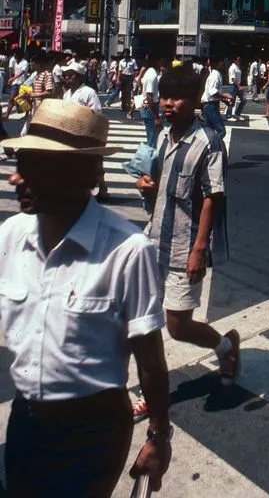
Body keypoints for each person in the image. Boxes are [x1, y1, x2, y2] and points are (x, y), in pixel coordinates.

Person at [0, 101, 172, 496]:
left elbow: (150, 359)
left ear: (80, 175)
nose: (15, 178)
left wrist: (159, 436)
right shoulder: (11, 235)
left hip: (92, 432)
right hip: (25, 422)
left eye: (32, 168)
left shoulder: (128, 250)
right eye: (19, 163)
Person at [134, 66, 240, 421]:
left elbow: (213, 197)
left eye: (176, 97)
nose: (167, 103)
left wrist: (199, 250)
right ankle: (150, 394)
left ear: (195, 101)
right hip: (153, 241)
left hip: (184, 246)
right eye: (165, 96)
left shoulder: (207, 142)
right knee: (145, 325)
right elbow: (161, 190)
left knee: (178, 328)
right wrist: (147, 190)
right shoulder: (163, 136)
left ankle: (226, 347)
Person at [201, 58, 230, 138]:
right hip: (211, 105)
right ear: (217, 64)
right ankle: (213, 146)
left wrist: (223, 100)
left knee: (209, 132)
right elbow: (212, 93)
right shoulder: (215, 75)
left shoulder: (216, 74)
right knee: (221, 131)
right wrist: (225, 96)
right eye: (222, 62)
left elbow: (214, 93)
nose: (224, 64)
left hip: (210, 104)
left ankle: (208, 148)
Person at [140, 56, 162, 149]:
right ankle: (150, 162)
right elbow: (149, 96)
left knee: (154, 139)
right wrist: (156, 116)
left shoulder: (149, 73)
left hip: (148, 108)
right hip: (150, 109)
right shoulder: (152, 75)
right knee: (152, 142)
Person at [5, 48, 29, 119]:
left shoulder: (25, 62)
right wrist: (10, 78)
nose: (14, 55)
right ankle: (7, 115)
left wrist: (13, 78)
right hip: (15, 83)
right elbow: (10, 68)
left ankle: (27, 113)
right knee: (13, 98)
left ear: (19, 55)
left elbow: (22, 72)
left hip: (22, 82)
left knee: (18, 99)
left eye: (15, 54)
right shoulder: (13, 59)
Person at [225, 55, 246, 122]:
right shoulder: (232, 68)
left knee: (244, 100)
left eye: (240, 59)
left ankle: (237, 114)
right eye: (238, 59)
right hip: (233, 86)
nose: (239, 60)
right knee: (231, 101)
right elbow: (233, 79)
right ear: (234, 60)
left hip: (237, 85)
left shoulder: (238, 67)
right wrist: (239, 86)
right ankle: (228, 116)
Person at [118, 47, 138, 114]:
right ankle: (123, 107)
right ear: (123, 54)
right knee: (123, 93)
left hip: (130, 77)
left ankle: (129, 107)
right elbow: (120, 71)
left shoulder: (133, 61)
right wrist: (118, 79)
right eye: (124, 54)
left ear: (129, 54)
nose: (126, 55)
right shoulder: (121, 61)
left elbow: (136, 70)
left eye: (127, 53)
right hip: (123, 77)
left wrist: (135, 78)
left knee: (129, 93)